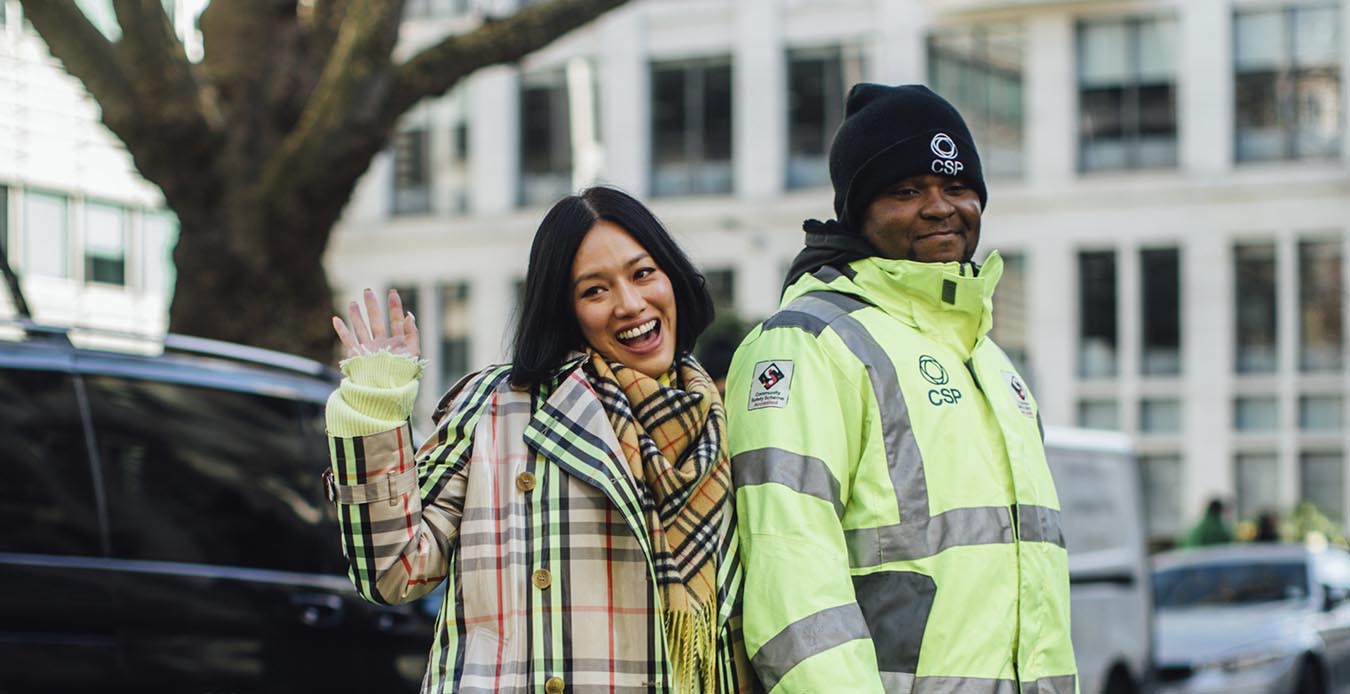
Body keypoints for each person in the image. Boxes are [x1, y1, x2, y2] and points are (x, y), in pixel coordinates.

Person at [324, 186, 753, 693]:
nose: (630, 304)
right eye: (595, 290)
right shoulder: (498, 405)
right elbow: (394, 571)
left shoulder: (725, 417)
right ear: (564, 308)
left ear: (673, 277)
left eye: (642, 274)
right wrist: (377, 406)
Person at [725, 84, 1077, 693]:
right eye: (906, 191)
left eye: (958, 187)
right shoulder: (807, 345)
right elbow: (791, 587)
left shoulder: (995, 366)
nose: (941, 208)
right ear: (858, 211)